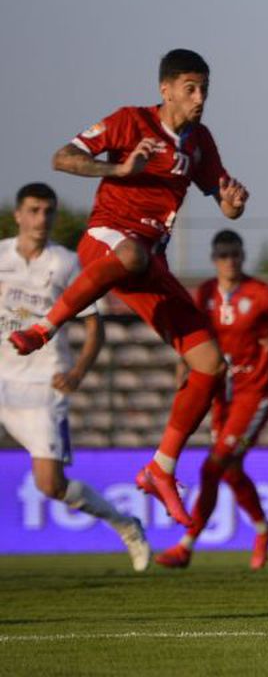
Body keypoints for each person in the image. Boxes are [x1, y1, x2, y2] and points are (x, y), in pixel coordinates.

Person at [7, 49, 250, 527]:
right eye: (190, 88)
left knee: (209, 364)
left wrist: (234, 204)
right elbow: (63, 157)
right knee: (133, 252)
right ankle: (45, 326)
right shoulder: (129, 122)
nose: (200, 98)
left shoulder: (199, 143)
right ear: (165, 89)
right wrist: (115, 170)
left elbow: (225, 202)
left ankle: (160, 469)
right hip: (107, 242)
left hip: (146, 259)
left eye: (204, 89)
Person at [0, 182, 150, 570]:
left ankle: (125, 523)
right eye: (33, 210)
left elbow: (94, 326)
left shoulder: (66, 263)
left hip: (42, 386)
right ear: (18, 215)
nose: (41, 218)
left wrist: (79, 371)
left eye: (48, 210)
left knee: (50, 485)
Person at [155, 230, 268, 570]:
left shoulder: (263, 294)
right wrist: (184, 364)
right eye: (224, 254)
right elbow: (193, 335)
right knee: (228, 471)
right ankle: (263, 529)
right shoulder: (207, 293)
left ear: (243, 256)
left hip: (253, 393)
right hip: (220, 394)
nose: (230, 260)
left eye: (236, 254)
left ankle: (186, 545)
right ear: (214, 258)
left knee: (213, 465)